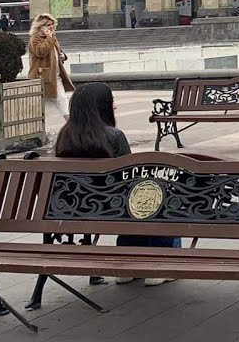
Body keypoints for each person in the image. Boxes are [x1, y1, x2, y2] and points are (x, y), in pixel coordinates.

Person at [54, 83, 178, 287]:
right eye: (112, 102)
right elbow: (130, 179)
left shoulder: (64, 137)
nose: (115, 106)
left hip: (74, 209)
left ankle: (126, 265)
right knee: (158, 195)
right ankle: (162, 263)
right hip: (114, 208)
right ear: (101, 106)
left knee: (127, 201)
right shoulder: (113, 136)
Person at [27, 14, 74, 130]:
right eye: (48, 25)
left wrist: (63, 56)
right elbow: (41, 52)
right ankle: (73, 126)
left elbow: (57, 51)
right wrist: (49, 38)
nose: (51, 27)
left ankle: (70, 126)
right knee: (60, 100)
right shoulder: (35, 38)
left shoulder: (52, 37)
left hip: (55, 75)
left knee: (55, 102)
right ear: (41, 26)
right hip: (44, 77)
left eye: (52, 24)